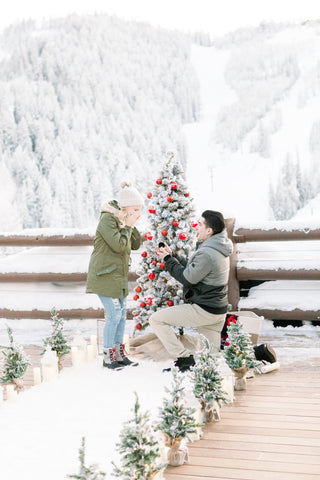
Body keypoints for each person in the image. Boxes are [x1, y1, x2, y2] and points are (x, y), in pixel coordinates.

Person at [149, 210, 233, 372]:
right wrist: (173, 256)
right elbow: (196, 270)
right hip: (217, 311)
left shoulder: (208, 252)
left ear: (209, 231)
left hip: (204, 310)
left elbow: (188, 278)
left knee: (156, 319)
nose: (196, 227)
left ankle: (184, 358)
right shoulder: (218, 246)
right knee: (212, 360)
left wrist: (167, 260)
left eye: (200, 224)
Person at [86, 181, 143, 370]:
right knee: (114, 314)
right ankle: (108, 356)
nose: (138, 213)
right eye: (135, 209)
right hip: (104, 274)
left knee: (121, 314)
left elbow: (135, 244)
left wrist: (131, 225)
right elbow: (118, 245)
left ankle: (119, 353)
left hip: (118, 276)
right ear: (125, 207)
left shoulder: (123, 220)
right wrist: (127, 225)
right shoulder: (108, 219)